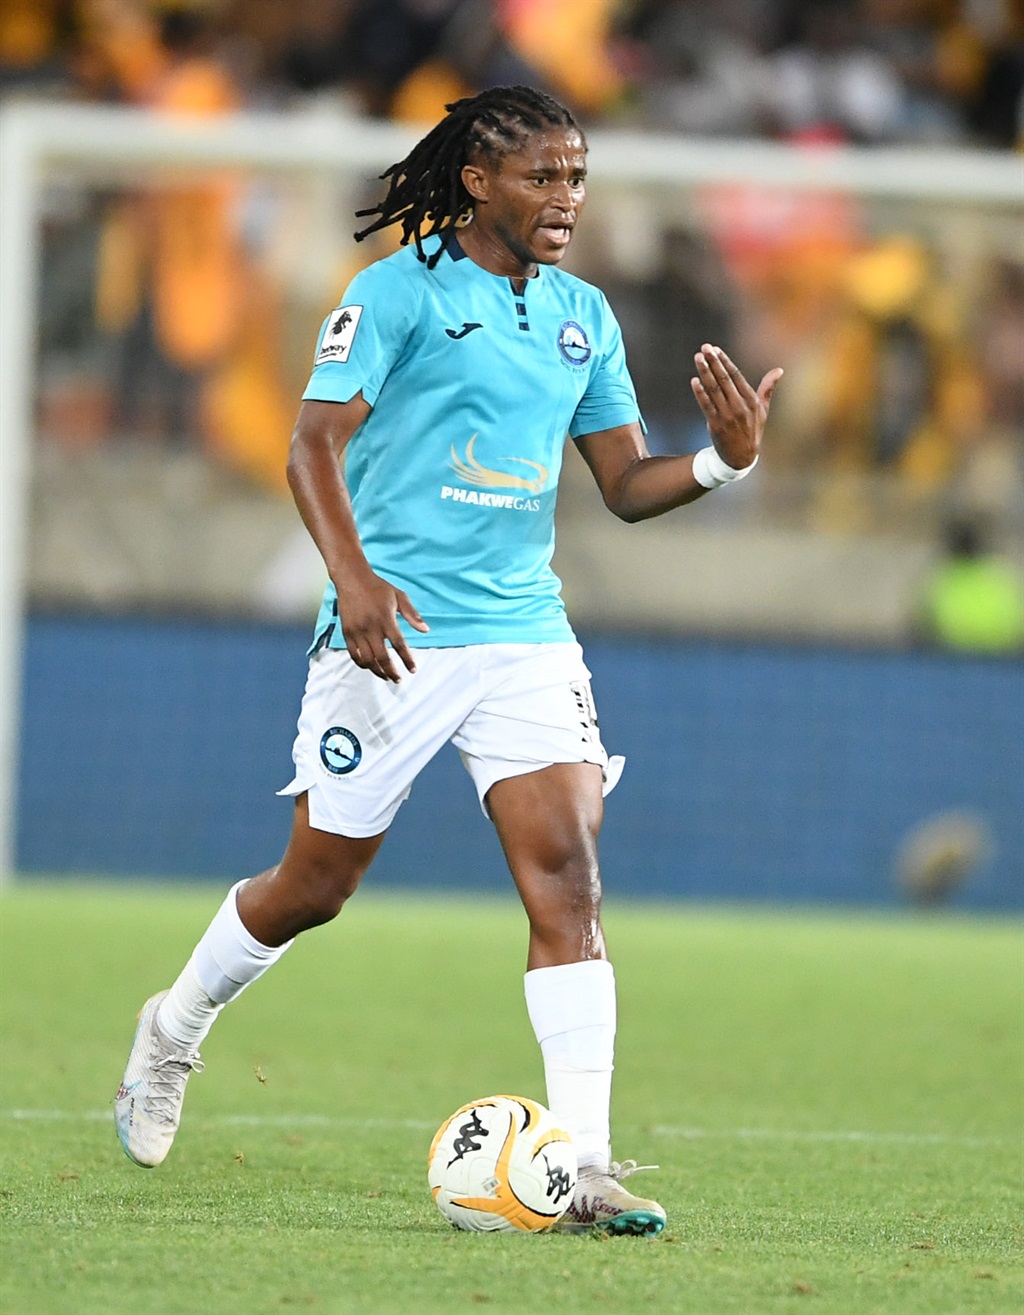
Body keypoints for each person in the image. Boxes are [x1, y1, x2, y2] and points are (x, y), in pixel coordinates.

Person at [115, 84, 783, 1236]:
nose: (566, 199)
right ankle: (172, 1029)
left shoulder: (582, 315)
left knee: (567, 875)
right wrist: (357, 579)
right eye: (543, 177)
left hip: (523, 631)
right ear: (478, 182)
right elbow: (310, 446)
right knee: (314, 887)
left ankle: (581, 1166)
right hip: (392, 635)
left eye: (576, 177)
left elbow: (624, 486)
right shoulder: (395, 294)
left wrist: (721, 464)